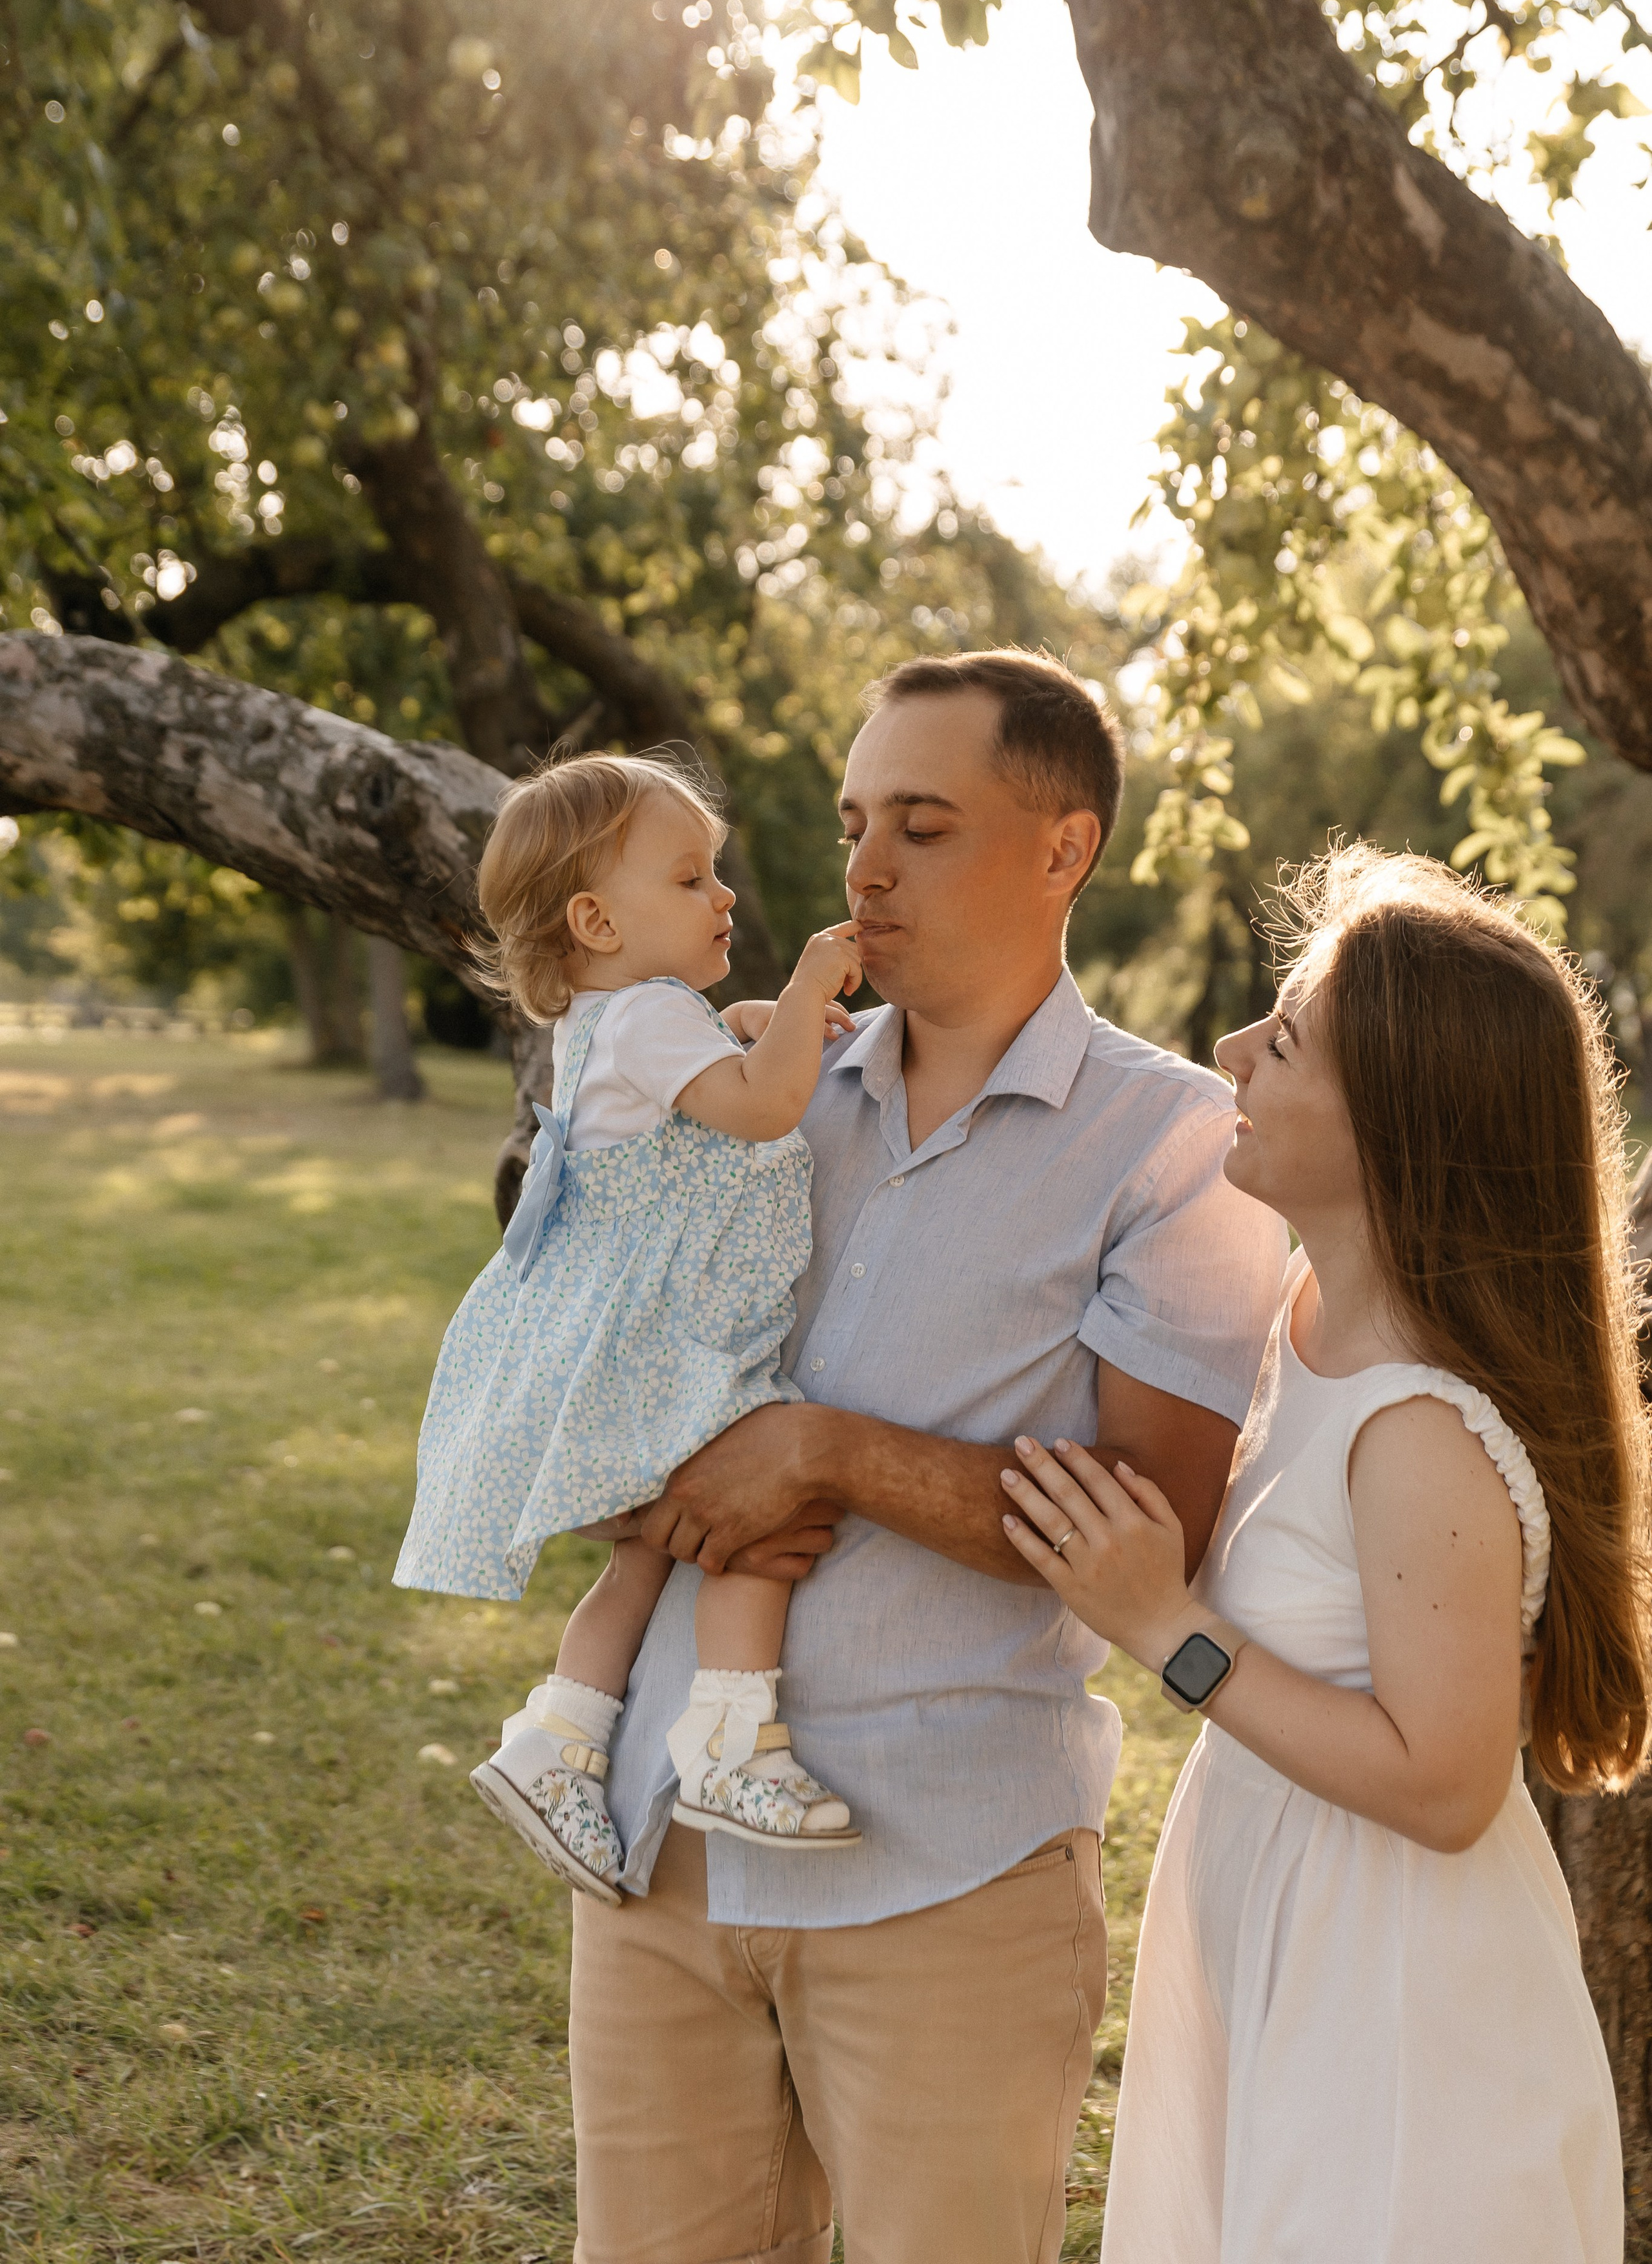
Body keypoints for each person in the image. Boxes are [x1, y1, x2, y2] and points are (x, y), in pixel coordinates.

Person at [569, 650, 1290, 2264]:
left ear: (1063, 848)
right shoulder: (749, 1086)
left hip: (945, 1868)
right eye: (850, 822)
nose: (864, 868)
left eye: (924, 822)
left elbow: (1149, 1527)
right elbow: (585, 1342)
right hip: (660, 1851)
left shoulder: (1175, 1144)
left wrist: (819, 1453)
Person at [1002, 845, 1645, 2264]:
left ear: (1396, 1126)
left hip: (1396, 1986)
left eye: (1281, 1038)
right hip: (1280, 1906)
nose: (1230, 1049)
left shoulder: (1419, 1429)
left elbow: (1446, 1784)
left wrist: (1164, 1626)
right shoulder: (1302, 1309)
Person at [394, 749, 868, 1899]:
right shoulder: (652, 1021)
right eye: (692, 879)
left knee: (647, 1566)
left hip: (625, 1343)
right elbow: (757, 1112)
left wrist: (756, 1022)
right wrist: (804, 998)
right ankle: (730, 1747)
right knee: (763, 1515)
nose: (726, 899)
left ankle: (556, 1743)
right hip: (672, 1352)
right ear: (598, 920)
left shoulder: (626, 1021)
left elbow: (714, 1085)